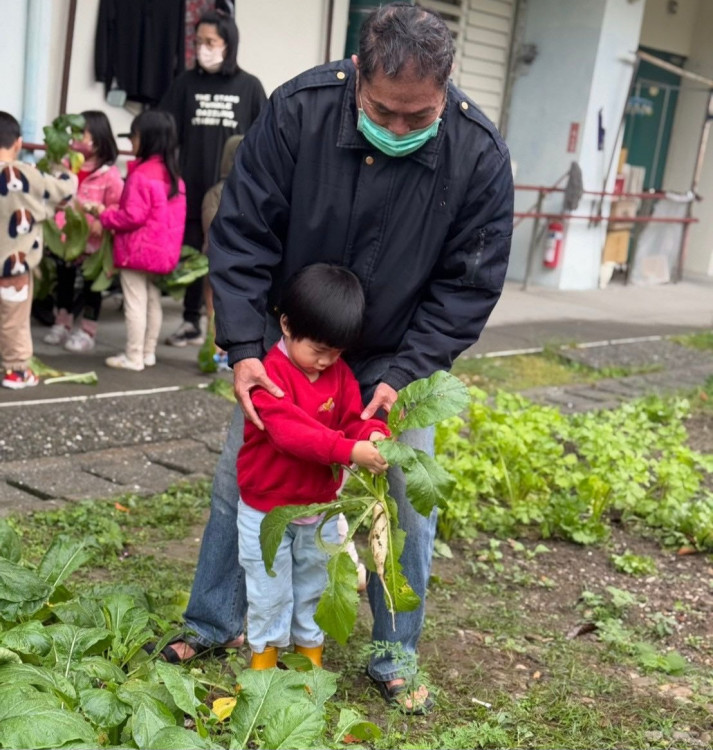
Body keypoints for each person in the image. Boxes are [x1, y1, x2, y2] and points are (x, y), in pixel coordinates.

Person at [169, 2, 513, 714]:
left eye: (415, 119)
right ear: (357, 74)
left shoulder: (477, 154)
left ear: (445, 91)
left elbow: (466, 286)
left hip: (396, 356)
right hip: (292, 345)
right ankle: (212, 620)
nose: (394, 130)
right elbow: (242, 234)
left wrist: (401, 376)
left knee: (404, 506)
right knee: (245, 481)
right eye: (380, 112)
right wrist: (242, 346)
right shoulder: (300, 110)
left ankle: (393, 650)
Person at [237, 263, 389, 670]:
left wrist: (371, 432)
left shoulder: (340, 376)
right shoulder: (268, 375)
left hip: (318, 510)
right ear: (286, 325)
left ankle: (309, 665)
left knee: (314, 588)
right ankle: (262, 670)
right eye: (317, 351)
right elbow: (290, 434)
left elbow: (352, 420)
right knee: (268, 590)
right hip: (266, 510)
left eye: (335, 353)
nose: (325, 362)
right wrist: (348, 450)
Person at [160, 9, 267, 348]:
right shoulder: (185, 84)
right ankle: (191, 321)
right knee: (193, 254)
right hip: (190, 185)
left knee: (231, 258)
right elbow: (166, 130)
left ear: (228, 44)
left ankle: (226, 331)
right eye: (199, 41)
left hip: (231, 192)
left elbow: (264, 139)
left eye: (211, 42)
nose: (203, 47)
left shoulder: (249, 87)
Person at [98, 110, 186, 371]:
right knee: (152, 299)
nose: (131, 142)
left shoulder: (141, 174)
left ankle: (133, 356)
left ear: (147, 138)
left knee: (135, 302)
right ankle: (148, 353)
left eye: (134, 136)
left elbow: (132, 216)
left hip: (137, 250)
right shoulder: (175, 176)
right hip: (162, 251)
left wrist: (106, 216)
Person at [0, 111, 77, 389]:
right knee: (13, 320)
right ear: (18, 143)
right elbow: (65, 190)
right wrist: (62, 167)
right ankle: (17, 371)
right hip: (13, 267)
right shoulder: (28, 176)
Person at [43, 110, 124, 353]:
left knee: (92, 286)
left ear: (98, 138)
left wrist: (104, 220)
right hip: (66, 238)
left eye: (82, 134)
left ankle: (87, 329)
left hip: (94, 241)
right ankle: (63, 323)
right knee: (64, 281)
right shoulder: (67, 166)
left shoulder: (109, 173)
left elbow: (117, 203)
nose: (76, 139)